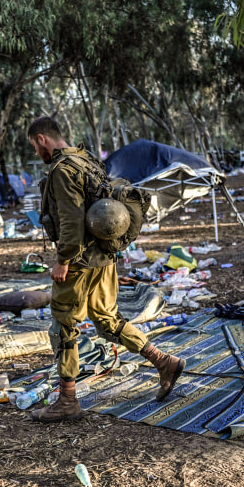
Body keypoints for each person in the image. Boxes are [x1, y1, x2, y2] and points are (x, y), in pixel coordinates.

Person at [27, 116, 186, 423]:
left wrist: (63, 260)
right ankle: (164, 362)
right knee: (108, 320)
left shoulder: (62, 170)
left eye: (35, 146)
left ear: (42, 139)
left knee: (64, 326)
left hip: (79, 262)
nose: (37, 152)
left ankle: (67, 401)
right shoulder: (86, 160)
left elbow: (72, 221)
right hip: (103, 257)